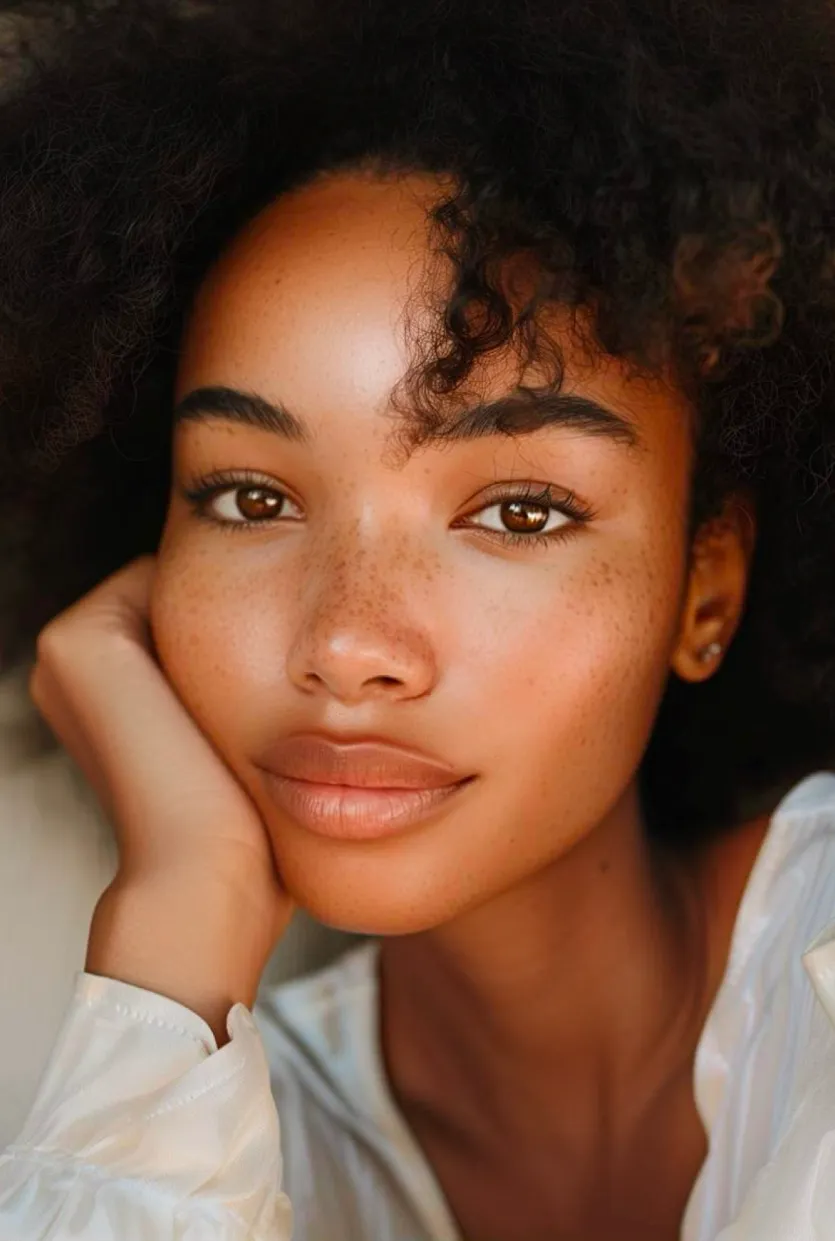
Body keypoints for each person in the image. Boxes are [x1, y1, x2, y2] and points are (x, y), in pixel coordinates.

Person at [1, 0, 835, 1237]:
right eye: (252, 495)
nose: (345, 642)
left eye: (518, 513)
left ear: (703, 585)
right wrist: (173, 938)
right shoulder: (187, 1127)